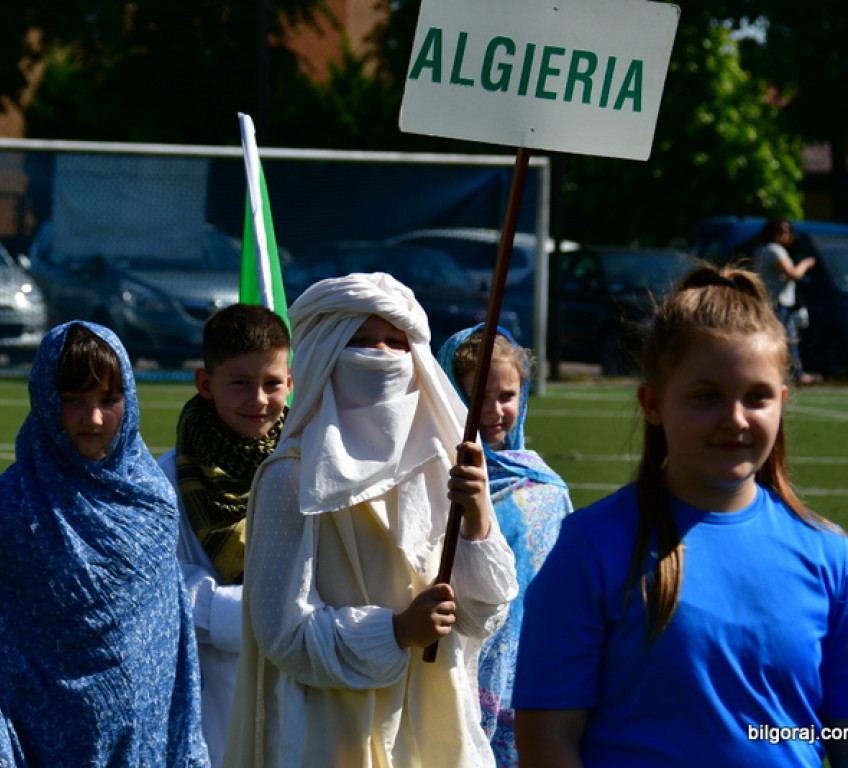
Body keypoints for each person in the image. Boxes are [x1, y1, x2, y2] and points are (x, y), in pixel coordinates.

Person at [512, 265, 848, 768]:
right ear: (653, 403)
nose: (735, 419)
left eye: (756, 397)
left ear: (781, 402)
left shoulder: (829, 554)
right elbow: (548, 734)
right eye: (706, 396)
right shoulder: (591, 547)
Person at [224, 272, 518, 768]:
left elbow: (482, 614)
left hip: (435, 731)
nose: (379, 354)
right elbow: (282, 633)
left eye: (394, 342)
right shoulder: (290, 477)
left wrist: (478, 520)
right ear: (323, 352)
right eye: (359, 340)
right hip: (329, 734)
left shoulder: (446, 464)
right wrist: (397, 632)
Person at [0, 321, 209, 767]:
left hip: (141, 743)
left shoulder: (152, 501)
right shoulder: (2, 509)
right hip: (37, 742)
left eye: (109, 400)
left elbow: (174, 639)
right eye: (73, 400)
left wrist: (186, 745)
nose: (94, 418)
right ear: (45, 399)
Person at [157, 303, 292, 767]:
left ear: (291, 383)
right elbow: (160, 586)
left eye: (272, 383)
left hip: (298, 681)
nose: (258, 399)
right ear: (205, 384)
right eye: (239, 383)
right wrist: (261, 613)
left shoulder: (310, 469)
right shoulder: (165, 481)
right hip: (209, 690)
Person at [436, 325, 572, 767]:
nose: (494, 412)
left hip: (528, 680)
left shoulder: (545, 488)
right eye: (478, 398)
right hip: (450, 675)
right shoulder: (430, 478)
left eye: (507, 396)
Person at [752, 215, 819, 384]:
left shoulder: (762, 249)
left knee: (786, 338)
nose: (787, 234)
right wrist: (806, 264)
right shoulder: (774, 250)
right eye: (782, 231)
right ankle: (790, 373)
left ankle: (793, 372)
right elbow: (793, 273)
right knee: (782, 338)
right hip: (777, 301)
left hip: (770, 300)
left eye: (788, 230)